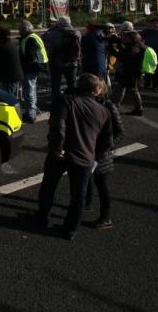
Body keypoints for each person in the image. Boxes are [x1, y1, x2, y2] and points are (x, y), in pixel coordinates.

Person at [31, 73, 112, 240]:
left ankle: (42, 217)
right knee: (78, 195)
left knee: (49, 186)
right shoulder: (104, 111)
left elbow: (57, 125)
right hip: (85, 156)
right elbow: (106, 140)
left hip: (62, 152)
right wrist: (94, 157)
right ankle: (70, 229)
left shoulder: (66, 100)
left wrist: (57, 147)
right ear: (95, 91)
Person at [85, 89, 124, 230]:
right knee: (87, 178)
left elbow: (120, 131)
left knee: (102, 185)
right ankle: (87, 203)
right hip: (90, 150)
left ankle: (106, 217)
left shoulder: (108, 106)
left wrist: (108, 146)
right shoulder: (91, 104)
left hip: (102, 153)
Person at [43, 16, 81, 106]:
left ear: (58, 23)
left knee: (56, 84)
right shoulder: (77, 33)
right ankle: (73, 103)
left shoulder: (53, 33)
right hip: (72, 62)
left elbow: (43, 37)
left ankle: (57, 103)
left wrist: (51, 28)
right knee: (72, 83)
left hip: (57, 63)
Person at [18, 20, 48, 123]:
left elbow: (30, 57)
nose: (18, 31)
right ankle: (32, 110)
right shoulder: (29, 37)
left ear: (25, 29)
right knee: (30, 89)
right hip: (35, 66)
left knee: (29, 89)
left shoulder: (30, 39)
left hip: (31, 67)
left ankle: (31, 113)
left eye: (20, 29)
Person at [111, 31, 146, 116]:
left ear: (132, 39)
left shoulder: (133, 48)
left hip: (131, 72)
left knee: (132, 90)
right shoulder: (138, 45)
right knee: (132, 90)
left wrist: (112, 50)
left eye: (126, 37)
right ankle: (138, 109)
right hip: (134, 71)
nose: (123, 38)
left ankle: (138, 109)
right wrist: (120, 46)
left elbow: (124, 58)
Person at [0, 28, 22, 99]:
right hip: (9, 77)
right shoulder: (7, 44)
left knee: (7, 99)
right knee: (7, 97)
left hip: (9, 79)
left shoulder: (3, 47)